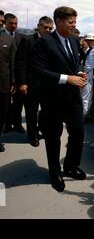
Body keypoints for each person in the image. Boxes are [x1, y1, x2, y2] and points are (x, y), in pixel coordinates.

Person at [32, 6, 87, 192]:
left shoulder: (74, 40)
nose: (74, 25)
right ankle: (54, 172)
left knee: (78, 132)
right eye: (71, 22)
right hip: (52, 100)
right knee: (53, 137)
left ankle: (70, 166)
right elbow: (38, 70)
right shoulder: (44, 42)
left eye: (75, 22)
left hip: (73, 99)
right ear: (59, 22)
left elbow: (74, 63)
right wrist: (67, 78)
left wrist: (77, 73)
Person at [15, 16, 54, 147]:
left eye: (50, 28)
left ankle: (39, 130)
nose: (48, 30)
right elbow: (21, 62)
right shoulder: (28, 40)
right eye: (45, 27)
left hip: (47, 84)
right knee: (31, 111)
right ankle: (32, 135)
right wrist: (22, 82)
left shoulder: (52, 42)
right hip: (31, 83)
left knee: (45, 111)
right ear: (39, 26)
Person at [4, 13, 26, 134]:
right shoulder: (1, 37)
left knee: (18, 103)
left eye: (16, 23)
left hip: (19, 77)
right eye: (11, 23)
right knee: (5, 104)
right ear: (5, 23)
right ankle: (7, 124)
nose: (14, 26)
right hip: (5, 77)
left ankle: (17, 124)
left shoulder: (22, 37)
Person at [0, 25, 16, 152]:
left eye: (2, 21)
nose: (0, 23)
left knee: (2, 113)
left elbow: (13, 63)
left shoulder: (9, 39)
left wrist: (13, 82)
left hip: (3, 85)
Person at [81, 33, 94, 118]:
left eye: (91, 41)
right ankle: (85, 114)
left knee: (87, 95)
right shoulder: (89, 49)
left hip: (91, 74)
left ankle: (84, 115)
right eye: (88, 41)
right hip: (86, 73)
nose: (89, 42)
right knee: (85, 95)